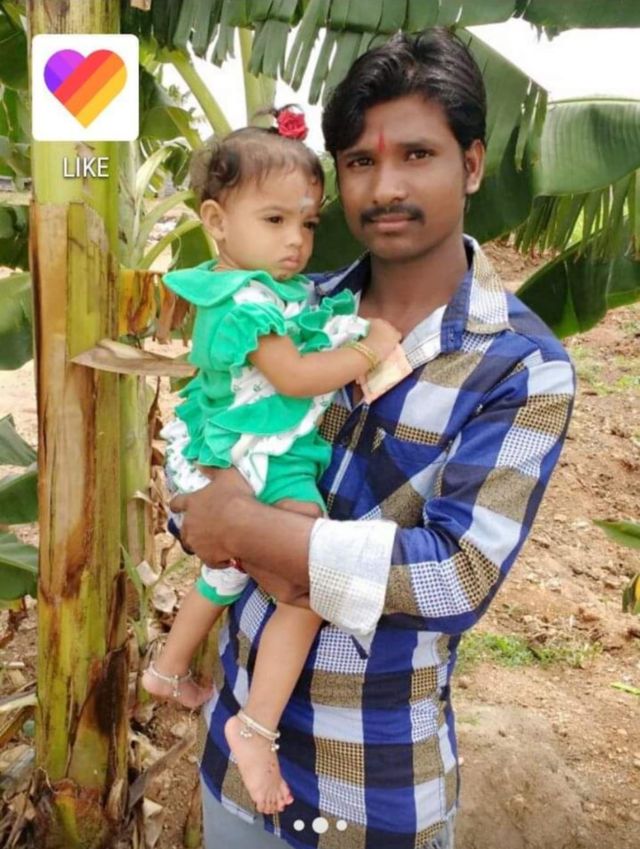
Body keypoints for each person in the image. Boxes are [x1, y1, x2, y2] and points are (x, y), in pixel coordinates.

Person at [172, 28, 575, 849]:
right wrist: (208, 512)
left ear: (471, 164)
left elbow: (455, 575)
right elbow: (200, 470)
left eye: (417, 155)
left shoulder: (519, 365)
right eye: (359, 161)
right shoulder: (291, 310)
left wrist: (245, 527)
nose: (385, 186)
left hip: (372, 786)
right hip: (232, 761)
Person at [142, 118, 401, 816]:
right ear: (215, 222)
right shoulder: (246, 303)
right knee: (310, 582)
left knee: (225, 574)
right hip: (259, 459)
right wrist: (371, 349)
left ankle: (167, 668)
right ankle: (254, 730)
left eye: (308, 223)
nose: (297, 241)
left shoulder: (247, 288)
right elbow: (294, 377)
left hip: (235, 454)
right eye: (276, 219)